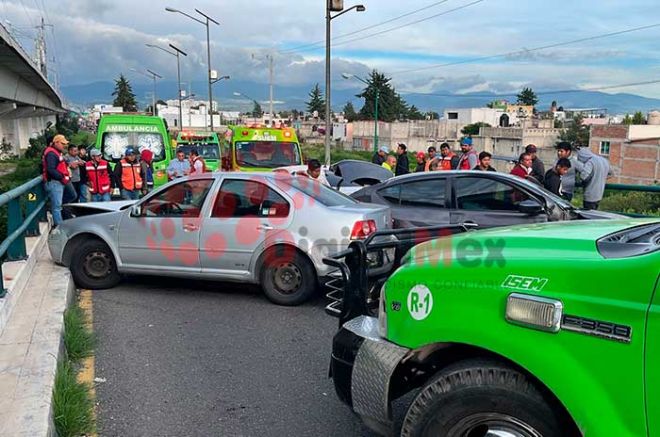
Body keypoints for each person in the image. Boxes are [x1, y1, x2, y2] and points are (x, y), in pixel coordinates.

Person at [42, 134, 76, 226]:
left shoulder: (56, 152)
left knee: (71, 196)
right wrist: (62, 176)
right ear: (56, 143)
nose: (64, 145)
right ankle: (59, 227)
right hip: (54, 182)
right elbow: (51, 169)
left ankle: (62, 220)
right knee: (57, 207)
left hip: (59, 181)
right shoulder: (51, 154)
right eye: (62, 143)